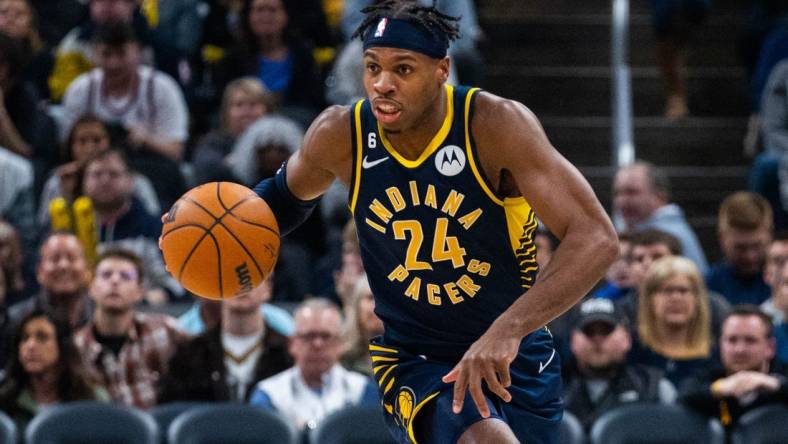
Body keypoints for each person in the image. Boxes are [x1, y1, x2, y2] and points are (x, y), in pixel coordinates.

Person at [238, 1, 619, 442]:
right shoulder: (341, 133)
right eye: (372, 67)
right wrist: (212, 224)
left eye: (403, 69)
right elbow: (280, 202)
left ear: (442, 70)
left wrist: (510, 328)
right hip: (415, 360)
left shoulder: (494, 126)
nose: (382, 84)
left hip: (514, 351)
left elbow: (596, 238)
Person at [73, 249, 186, 409]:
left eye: (126, 276)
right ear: (92, 287)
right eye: (106, 275)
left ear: (140, 292)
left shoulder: (165, 331)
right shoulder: (76, 347)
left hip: (158, 430)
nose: (115, 281)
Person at [249, 298, 378, 431]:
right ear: (292, 343)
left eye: (326, 336)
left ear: (341, 343)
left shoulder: (363, 390)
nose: (317, 344)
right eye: (309, 336)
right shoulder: (269, 394)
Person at [159, 278, 291, 403]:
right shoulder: (189, 354)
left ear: (268, 288)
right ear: (218, 290)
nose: (241, 284)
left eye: (250, 277)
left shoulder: (289, 353)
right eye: (231, 277)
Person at [564, 298, 676, 432]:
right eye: (589, 332)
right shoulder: (548, 390)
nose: (597, 339)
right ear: (572, 341)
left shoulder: (655, 387)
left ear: (627, 339)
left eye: (606, 330)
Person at [38, 114, 160, 228]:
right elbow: (46, 230)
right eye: (82, 141)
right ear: (71, 146)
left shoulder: (136, 181)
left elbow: (154, 225)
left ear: (109, 142)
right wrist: (67, 194)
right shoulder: (58, 180)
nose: (90, 148)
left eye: (97, 140)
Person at [0, 310, 108, 437]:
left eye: (42, 337)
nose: (30, 345)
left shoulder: (92, 400)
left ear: (62, 346)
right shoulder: (5, 397)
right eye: (24, 338)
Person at [679, 305, 788, 431]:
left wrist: (776, 385)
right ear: (720, 344)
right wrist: (720, 388)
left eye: (750, 340)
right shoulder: (710, 374)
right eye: (732, 340)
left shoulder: (783, 372)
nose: (739, 350)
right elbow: (685, 395)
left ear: (770, 348)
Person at [629, 256, 718, 387]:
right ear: (649, 299)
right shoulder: (632, 350)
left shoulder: (716, 356)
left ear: (698, 299)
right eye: (667, 290)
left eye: (683, 290)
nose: (676, 298)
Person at [613, 161, 708, 272]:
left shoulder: (669, 234)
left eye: (632, 192)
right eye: (617, 193)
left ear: (660, 197)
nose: (622, 200)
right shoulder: (639, 229)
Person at [8, 232, 93, 329]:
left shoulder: (102, 315)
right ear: (39, 271)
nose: (63, 266)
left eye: (71, 258)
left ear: (87, 269)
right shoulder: (16, 319)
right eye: (54, 259)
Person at [707, 191, 773, 306]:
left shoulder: (782, 284)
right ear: (721, 238)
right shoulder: (708, 287)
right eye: (740, 248)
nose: (750, 256)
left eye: (757, 246)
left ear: (770, 234)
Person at [341, 274, 384, 375]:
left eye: (385, 299)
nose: (378, 305)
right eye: (370, 298)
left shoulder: (412, 358)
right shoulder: (340, 356)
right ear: (356, 306)